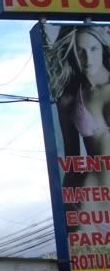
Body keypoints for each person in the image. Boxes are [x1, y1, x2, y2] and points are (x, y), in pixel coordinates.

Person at [46, 26, 110, 187]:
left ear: (102, 48)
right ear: (72, 53)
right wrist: (66, 195)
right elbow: (71, 161)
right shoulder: (69, 99)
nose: (88, 58)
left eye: (93, 49)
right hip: (94, 192)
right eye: (80, 51)